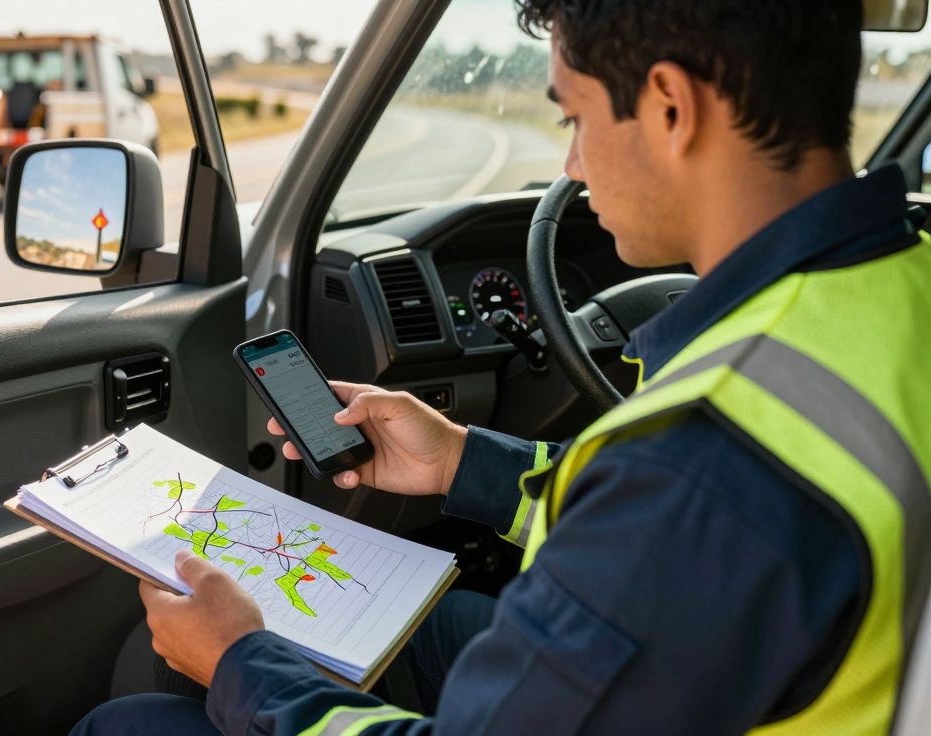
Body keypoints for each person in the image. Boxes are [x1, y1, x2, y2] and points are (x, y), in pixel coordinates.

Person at [73, 0, 931, 733]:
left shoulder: (698, 465)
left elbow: (677, 509)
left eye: (574, 119)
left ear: (671, 105)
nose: (571, 165)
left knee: (127, 725)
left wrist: (241, 663)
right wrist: (461, 461)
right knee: (417, 626)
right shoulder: (905, 276)